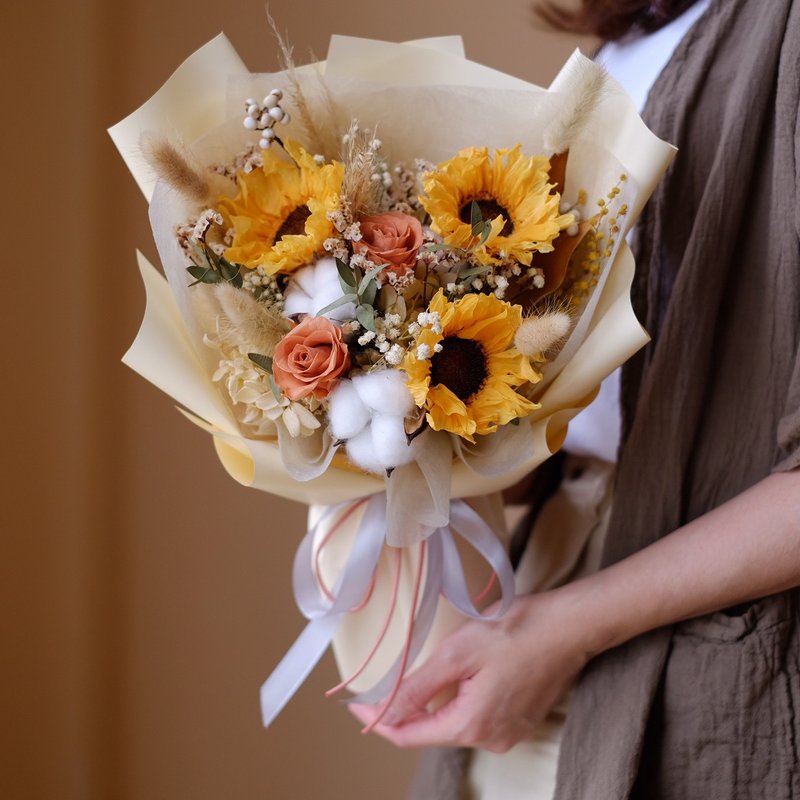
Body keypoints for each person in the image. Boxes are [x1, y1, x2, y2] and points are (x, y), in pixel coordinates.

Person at [351, 0, 800, 797]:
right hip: (553, 580)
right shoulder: (617, 55)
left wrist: (570, 626)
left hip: (708, 646)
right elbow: (596, 418)